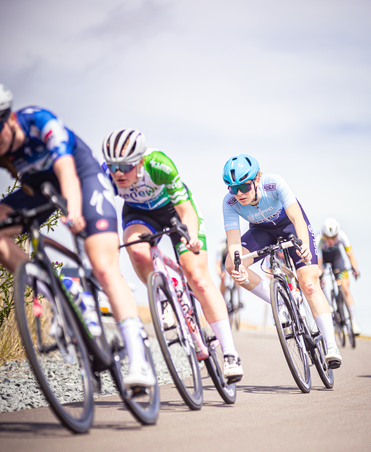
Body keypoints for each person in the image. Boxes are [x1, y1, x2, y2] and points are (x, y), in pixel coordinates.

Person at [0, 84, 155, 388]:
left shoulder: (40, 122)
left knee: (103, 266)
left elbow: (66, 170)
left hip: (82, 180)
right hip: (38, 189)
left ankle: (138, 359)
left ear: (10, 120)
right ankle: (56, 288)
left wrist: (73, 211)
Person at [101, 129, 243, 381]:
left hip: (175, 211)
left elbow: (186, 211)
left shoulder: (159, 165)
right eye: (113, 167)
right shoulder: (107, 175)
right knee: (136, 250)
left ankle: (230, 354)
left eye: (125, 166)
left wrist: (190, 238)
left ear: (141, 161)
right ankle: (163, 297)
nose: (118, 173)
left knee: (196, 276)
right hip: (138, 214)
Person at [222, 153, 342, 367]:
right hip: (261, 230)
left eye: (244, 186)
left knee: (309, 283)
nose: (239, 193)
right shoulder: (229, 202)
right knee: (232, 265)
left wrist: (304, 243)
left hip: (289, 226)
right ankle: (279, 302)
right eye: (233, 188)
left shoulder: (273, 183)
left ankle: (331, 346)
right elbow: (233, 242)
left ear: (257, 179)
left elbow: (296, 217)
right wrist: (238, 265)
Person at [317, 217, 361, 335]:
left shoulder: (342, 236)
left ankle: (354, 322)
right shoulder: (319, 240)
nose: (331, 241)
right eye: (328, 237)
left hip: (337, 259)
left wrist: (355, 269)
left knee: (346, 288)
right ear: (324, 234)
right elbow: (319, 263)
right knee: (323, 280)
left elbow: (350, 255)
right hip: (324, 260)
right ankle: (329, 305)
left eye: (333, 237)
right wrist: (320, 275)